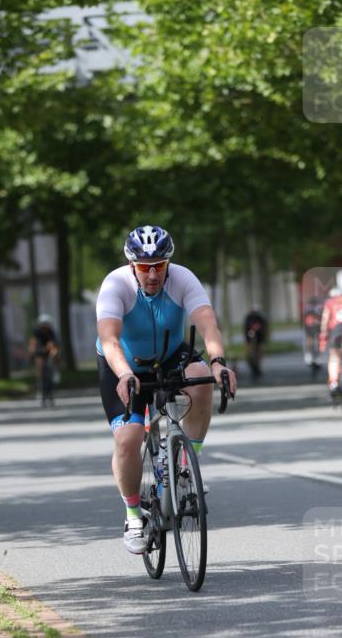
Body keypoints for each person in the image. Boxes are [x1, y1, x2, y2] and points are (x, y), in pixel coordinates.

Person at [96, 225, 237, 554]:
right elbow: (110, 339)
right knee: (128, 439)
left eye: (159, 266)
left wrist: (218, 362)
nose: (153, 274)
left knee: (201, 377)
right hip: (124, 364)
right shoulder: (115, 285)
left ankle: (187, 469)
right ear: (133, 266)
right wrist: (123, 374)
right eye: (145, 268)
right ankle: (133, 516)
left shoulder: (183, 278)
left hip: (171, 355)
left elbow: (206, 323)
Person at [29, 313, 59, 405]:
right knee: (40, 370)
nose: (45, 327)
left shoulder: (51, 332)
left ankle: (50, 392)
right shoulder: (36, 332)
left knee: (50, 370)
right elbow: (33, 344)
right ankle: (40, 390)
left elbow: (53, 344)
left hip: (48, 353)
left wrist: (54, 352)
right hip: (39, 353)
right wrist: (31, 353)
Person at [244, 305, 268, 378]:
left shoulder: (260, 319)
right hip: (250, 338)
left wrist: (263, 339)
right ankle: (252, 365)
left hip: (259, 338)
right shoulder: (248, 318)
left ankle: (257, 367)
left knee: (259, 352)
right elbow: (246, 329)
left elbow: (264, 329)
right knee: (250, 353)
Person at [302, 295, 323, 373]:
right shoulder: (319, 308)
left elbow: (303, 318)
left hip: (308, 326)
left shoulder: (306, 308)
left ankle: (309, 355)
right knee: (317, 341)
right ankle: (317, 357)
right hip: (317, 326)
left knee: (309, 339)